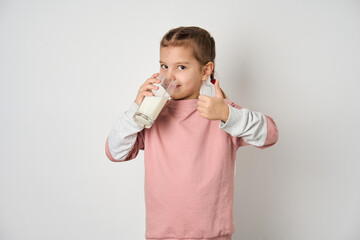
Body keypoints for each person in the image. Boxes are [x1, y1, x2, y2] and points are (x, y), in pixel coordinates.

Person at [105, 26, 279, 240]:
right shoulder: (151, 114)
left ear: (205, 70)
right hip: (162, 235)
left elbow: (270, 134)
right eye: (164, 65)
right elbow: (115, 152)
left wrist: (227, 114)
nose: (169, 75)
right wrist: (136, 108)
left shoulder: (220, 110)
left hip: (213, 234)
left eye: (181, 67)